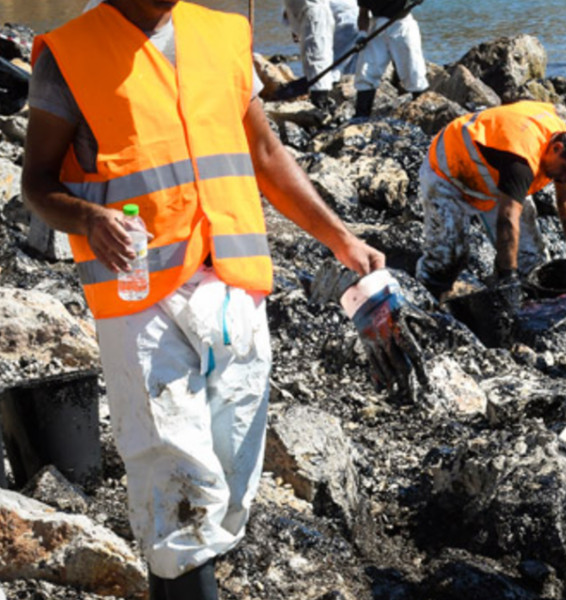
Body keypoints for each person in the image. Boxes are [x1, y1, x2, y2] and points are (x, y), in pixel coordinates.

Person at [22, 1, 422, 597]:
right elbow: (37, 182)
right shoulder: (71, 53)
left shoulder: (222, 35)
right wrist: (86, 218)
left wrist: (342, 239)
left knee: (231, 487)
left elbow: (265, 156)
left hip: (233, 288)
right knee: (176, 484)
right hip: (141, 301)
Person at [417, 101, 566, 303]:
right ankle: (426, 301)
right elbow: (507, 219)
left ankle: (517, 306)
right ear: (557, 148)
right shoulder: (520, 162)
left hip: (495, 177)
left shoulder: (561, 143)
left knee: (530, 260)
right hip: (449, 171)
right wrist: (508, 276)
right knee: (449, 257)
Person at [353, 0, 427, 117]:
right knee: (366, 71)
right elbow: (363, 13)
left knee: (412, 71)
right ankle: (361, 116)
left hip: (402, 25)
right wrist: (362, 34)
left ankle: (424, 113)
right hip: (376, 27)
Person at [283, 0, 351, 107]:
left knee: (317, 54)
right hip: (312, 12)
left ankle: (320, 99)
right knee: (318, 55)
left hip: (318, 13)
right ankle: (323, 91)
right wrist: (293, 22)